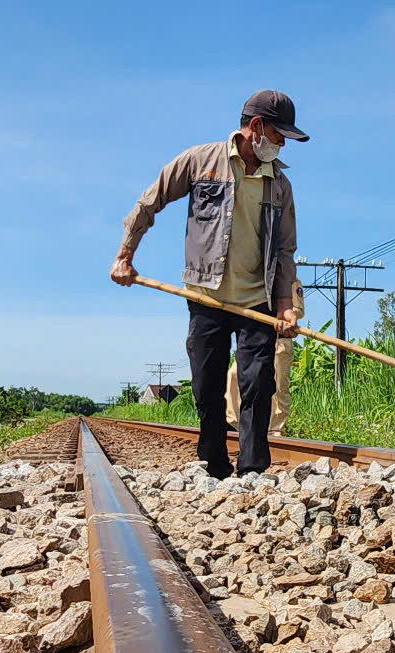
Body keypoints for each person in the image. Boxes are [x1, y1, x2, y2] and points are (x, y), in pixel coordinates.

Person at [110, 90, 308, 479]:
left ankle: (252, 470)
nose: (283, 142)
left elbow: (285, 249)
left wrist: (284, 304)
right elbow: (150, 201)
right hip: (205, 295)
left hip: (257, 300)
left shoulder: (280, 185)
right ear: (255, 128)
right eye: (279, 133)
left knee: (256, 386)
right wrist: (125, 254)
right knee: (207, 385)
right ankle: (214, 465)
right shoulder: (200, 162)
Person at [226, 277, 304, 436]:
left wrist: (281, 315)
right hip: (254, 340)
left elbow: (298, 309)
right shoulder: (253, 279)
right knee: (233, 374)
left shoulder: (291, 281)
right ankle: (233, 422)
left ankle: (276, 427)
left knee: (278, 385)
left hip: (279, 341)